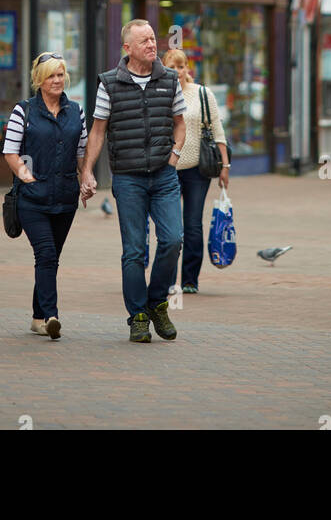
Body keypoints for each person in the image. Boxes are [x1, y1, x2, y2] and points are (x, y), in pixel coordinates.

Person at [80, 20, 186, 343]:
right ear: (127, 48)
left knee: (173, 240)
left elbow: (180, 123)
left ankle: (157, 302)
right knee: (135, 251)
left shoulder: (168, 79)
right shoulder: (109, 83)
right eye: (144, 41)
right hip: (127, 179)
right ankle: (138, 315)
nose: (153, 45)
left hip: (164, 175)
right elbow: (98, 130)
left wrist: (175, 155)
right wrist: (87, 171)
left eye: (153, 39)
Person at [2, 53, 87, 340]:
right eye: (51, 75)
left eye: (61, 74)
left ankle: (37, 317)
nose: (57, 80)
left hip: (65, 197)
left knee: (51, 258)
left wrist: (86, 177)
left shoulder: (76, 111)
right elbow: (10, 151)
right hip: (32, 199)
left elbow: (81, 153)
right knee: (46, 254)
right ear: (39, 79)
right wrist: (24, 175)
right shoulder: (23, 111)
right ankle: (52, 316)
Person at [162, 49, 229, 293]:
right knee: (171, 228)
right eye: (171, 67)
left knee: (192, 224)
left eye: (181, 67)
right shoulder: (160, 93)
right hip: (167, 168)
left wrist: (225, 165)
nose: (177, 72)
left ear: (187, 68)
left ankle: (190, 280)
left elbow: (217, 129)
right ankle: (168, 280)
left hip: (197, 170)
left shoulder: (202, 94)